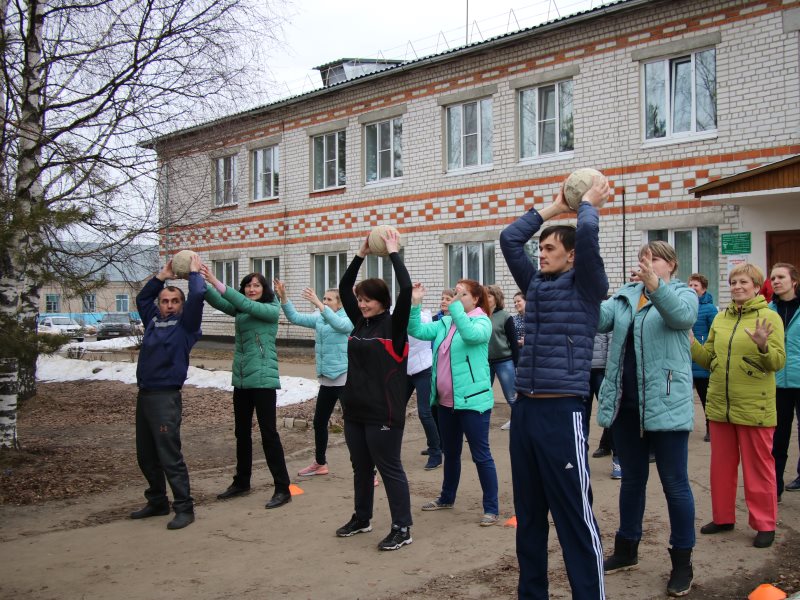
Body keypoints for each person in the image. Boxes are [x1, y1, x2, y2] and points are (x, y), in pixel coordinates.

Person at [500, 176, 609, 600]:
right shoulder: (536, 285)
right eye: (541, 248)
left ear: (572, 255)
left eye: (549, 249)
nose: (540, 254)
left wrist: (587, 207)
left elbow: (589, 240)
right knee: (528, 517)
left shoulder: (587, 287)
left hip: (562, 412)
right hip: (525, 411)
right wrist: (553, 207)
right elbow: (510, 239)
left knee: (574, 517)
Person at [596, 241, 698, 597]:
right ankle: (627, 550)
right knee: (632, 481)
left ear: (670, 265)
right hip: (626, 405)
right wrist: (584, 286)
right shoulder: (625, 296)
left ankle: (682, 561)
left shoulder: (684, 294)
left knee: (675, 484)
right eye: (643, 259)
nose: (647, 264)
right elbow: (598, 319)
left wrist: (655, 286)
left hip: (666, 404)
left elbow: (681, 318)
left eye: (654, 259)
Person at [691, 263, 785, 548]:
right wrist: (691, 342)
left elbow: (777, 363)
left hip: (754, 408)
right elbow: (708, 359)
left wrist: (763, 346)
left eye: (743, 282)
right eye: (733, 282)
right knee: (721, 468)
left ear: (756, 286)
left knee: (759, 469)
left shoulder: (770, 317)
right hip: (721, 406)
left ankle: (764, 524)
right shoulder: (720, 319)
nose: (737, 287)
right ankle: (723, 517)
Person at [335, 229, 414, 551]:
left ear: (381, 301)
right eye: (359, 300)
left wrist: (393, 251)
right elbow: (343, 288)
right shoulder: (360, 324)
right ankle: (362, 517)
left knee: (389, 468)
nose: (361, 304)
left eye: (366, 300)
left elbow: (406, 288)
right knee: (361, 467)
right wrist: (360, 253)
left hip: (384, 411)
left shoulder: (394, 326)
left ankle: (402, 527)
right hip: (355, 408)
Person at [409, 279, 500, 526]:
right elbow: (416, 331)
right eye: (454, 292)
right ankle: (447, 497)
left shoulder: (482, 322)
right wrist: (415, 303)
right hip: (446, 403)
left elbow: (470, 335)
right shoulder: (445, 323)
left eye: (462, 294)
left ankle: (491, 508)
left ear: (476, 299)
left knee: (481, 455)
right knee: (451, 454)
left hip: (472, 402)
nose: (455, 297)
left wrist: (456, 306)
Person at [202, 267, 292, 510]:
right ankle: (242, 482)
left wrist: (215, 280)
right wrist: (198, 282)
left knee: (268, 435)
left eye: (257, 286)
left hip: (263, 380)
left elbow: (241, 302)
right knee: (241, 433)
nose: (251, 289)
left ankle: (283, 488)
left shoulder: (270, 309)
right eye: (248, 285)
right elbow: (221, 302)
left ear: (264, 290)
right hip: (242, 379)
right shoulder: (242, 307)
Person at [131, 254, 205, 530]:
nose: (169, 305)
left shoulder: (186, 325)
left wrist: (194, 273)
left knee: (169, 455)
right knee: (146, 455)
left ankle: (184, 508)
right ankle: (157, 501)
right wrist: (162, 276)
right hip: (145, 395)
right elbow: (141, 300)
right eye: (165, 301)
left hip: (166, 398)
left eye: (175, 301)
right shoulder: (152, 319)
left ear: (182, 306)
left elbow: (198, 296)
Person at [272, 281, 353, 477]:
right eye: (323, 298)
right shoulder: (320, 317)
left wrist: (318, 303)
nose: (324, 301)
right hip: (326, 379)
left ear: (339, 304)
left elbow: (340, 325)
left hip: (345, 378)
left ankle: (368, 471)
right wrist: (284, 297)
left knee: (353, 426)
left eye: (328, 299)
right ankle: (320, 463)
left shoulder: (348, 318)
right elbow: (295, 317)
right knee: (319, 422)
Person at [769, 263, 800, 497]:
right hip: (776, 383)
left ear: (794, 281)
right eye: (773, 278)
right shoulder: (767, 310)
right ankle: (775, 485)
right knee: (778, 437)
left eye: (781, 277)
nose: (776, 281)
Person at [405, 304, 443, 470]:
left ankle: (436, 452)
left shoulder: (424, 317)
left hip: (423, 369)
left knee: (425, 412)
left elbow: (418, 333)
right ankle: (388, 450)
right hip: (405, 370)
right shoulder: (395, 314)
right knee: (394, 409)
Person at [688, 273, 717, 442]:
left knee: (706, 396)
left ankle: (710, 427)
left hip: (701, 359)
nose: (692, 288)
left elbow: (714, 332)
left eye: (696, 286)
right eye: (690, 285)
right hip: (686, 357)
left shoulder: (710, 309)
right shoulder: (685, 305)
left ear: (703, 289)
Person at [486, 285, 519, 431]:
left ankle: (519, 422)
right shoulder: (480, 315)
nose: (486, 299)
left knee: (511, 396)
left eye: (489, 296)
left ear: (496, 298)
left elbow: (513, 343)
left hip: (504, 361)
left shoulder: (505, 317)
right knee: (483, 397)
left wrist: (517, 365)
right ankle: (481, 426)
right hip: (485, 362)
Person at [588, 330, 619, 479]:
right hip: (582, 372)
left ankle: (618, 459)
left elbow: (612, 341)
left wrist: (610, 370)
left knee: (610, 414)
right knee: (581, 417)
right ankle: (580, 459)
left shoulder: (605, 307)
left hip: (602, 371)